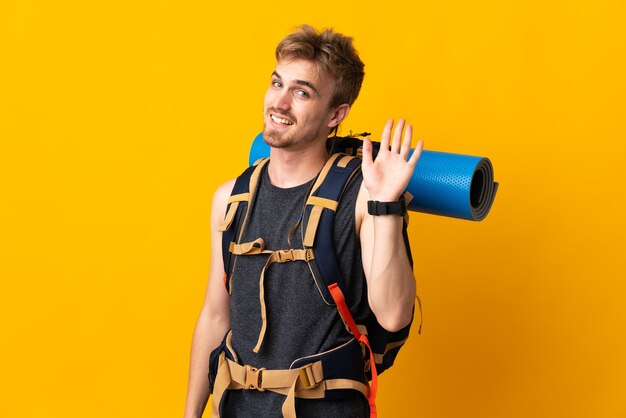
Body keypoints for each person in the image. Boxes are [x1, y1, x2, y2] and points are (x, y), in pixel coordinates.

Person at [183, 24, 423, 418]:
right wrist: (191, 414)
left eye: (302, 92)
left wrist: (386, 204)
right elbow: (214, 314)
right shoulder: (230, 198)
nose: (280, 102)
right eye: (277, 83)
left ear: (336, 115)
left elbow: (394, 314)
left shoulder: (363, 195)